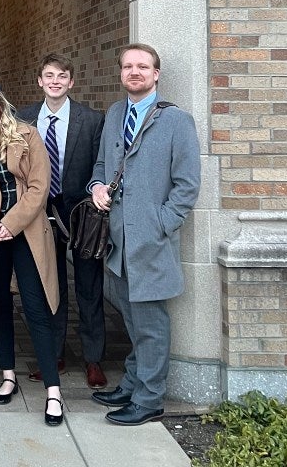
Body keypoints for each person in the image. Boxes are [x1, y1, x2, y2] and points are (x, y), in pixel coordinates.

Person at [89, 43, 201, 426]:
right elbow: (102, 164)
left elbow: (187, 186)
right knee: (130, 317)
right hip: (117, 241)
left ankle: (149, 399)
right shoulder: (116, 112)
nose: (134, 72)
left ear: (156, 74)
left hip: (151, 242)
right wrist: (97, 187)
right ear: (121, 73)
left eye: (142, 66)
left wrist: (162, 224)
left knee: (151, 324)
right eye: (127, 66)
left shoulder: (177, 121)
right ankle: (133, 382)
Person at [0, 84, 64, 426]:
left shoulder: (28, 135)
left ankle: (53, 391)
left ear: (1, 105)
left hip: (25, 232)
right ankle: (8, 374)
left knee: (35, 307)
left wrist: (11, 223)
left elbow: (39, 187)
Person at [17, 53, 108, 389]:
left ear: (71, 81)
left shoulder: (92, 119)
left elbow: (99, 164)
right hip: (40, 213)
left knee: (89, 286)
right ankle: (52, 354)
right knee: (49, 285)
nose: (55, 81)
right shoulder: (23, 119)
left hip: (82, 213)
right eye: (48, 76)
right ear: (39, 81)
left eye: (62, 76)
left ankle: (93, 358)